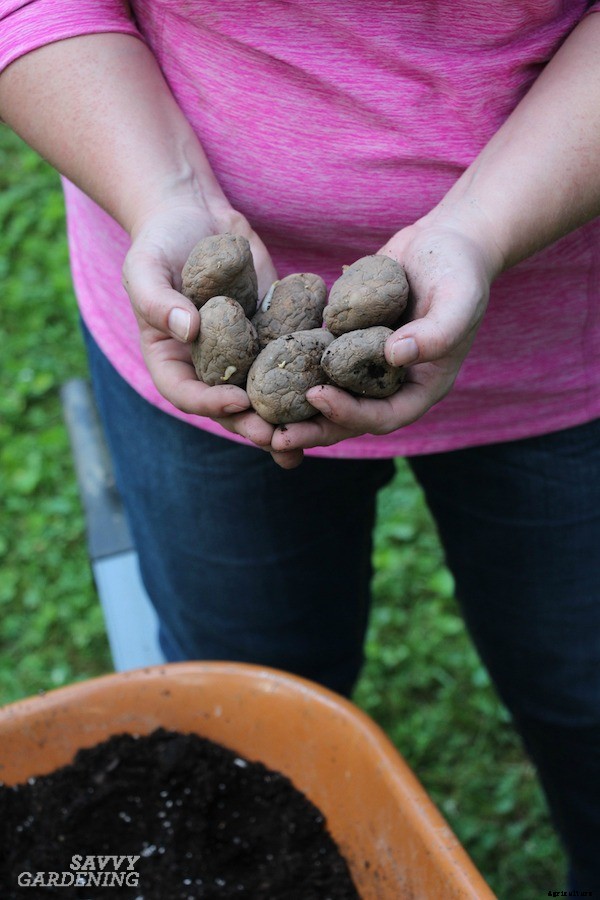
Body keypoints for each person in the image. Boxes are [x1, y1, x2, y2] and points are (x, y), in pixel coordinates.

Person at [1, 0, 599, 890]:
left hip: (568, 334)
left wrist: (480, 228)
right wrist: (164, 194)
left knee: (586, 686)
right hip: (196, 324)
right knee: (245, 697)